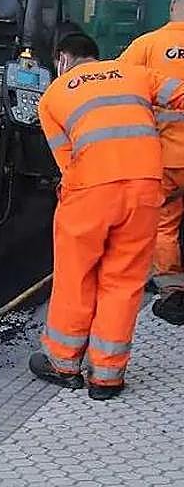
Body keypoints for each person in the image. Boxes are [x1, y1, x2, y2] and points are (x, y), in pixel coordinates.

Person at [30, 32, 184, 399]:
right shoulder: (134, 73)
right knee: (125, 281)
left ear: (63, 59)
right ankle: (107, 377)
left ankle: (63, 364)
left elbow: (66, 162)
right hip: (146, 187)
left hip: (91, 191)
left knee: (76, 275)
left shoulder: (53, 95)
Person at [119, 0, 184, 324]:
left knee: (164, 223)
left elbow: (115, 88)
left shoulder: (147, 45)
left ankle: (173, 290)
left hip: (166, 157)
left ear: (173, 6)